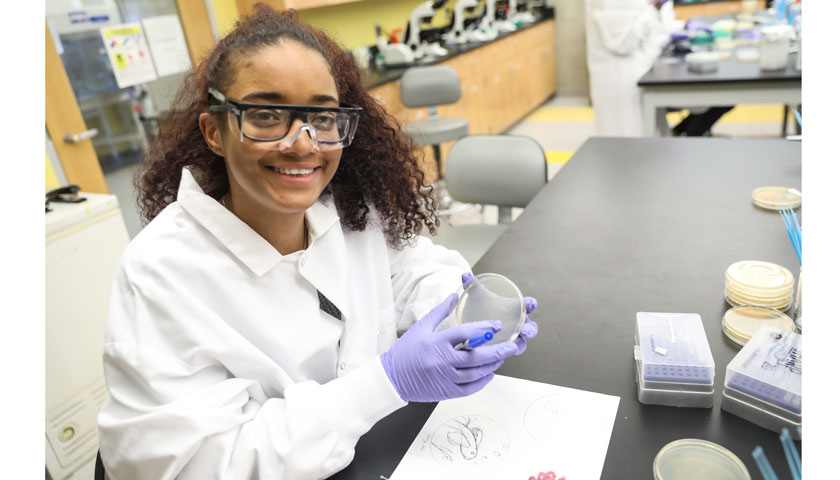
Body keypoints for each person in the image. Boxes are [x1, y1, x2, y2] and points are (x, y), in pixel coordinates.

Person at [96, 5, 538, 479]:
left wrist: (461, 307)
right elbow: (198, 466)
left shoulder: (347, 211)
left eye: (323, 118)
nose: (304, 143)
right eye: (266, 115)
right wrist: (387, 381)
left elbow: (414, 268)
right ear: (214, 132)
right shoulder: (161, 273)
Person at [584, 0, 680, 136]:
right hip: (620, 79)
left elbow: (654, 26)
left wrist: (677, 28)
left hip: (642, 73)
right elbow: (622, 42)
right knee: (628, 142)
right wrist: (655, 7)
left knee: (652, 141)